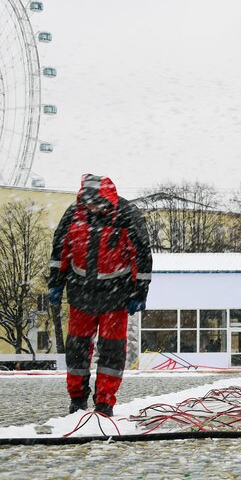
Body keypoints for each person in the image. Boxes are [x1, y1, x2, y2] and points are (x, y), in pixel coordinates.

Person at [49, 174, 152, 417]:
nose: (92, 208)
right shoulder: (74, 214)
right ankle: (76, 400)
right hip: (80, 293)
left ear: (106, 199)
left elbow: (142, 255)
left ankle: (105, 403)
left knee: (112, 351)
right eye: (88, 202)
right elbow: (60, 251)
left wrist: (140, 291)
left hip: (116, 295)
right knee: (77, 350)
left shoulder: (127, 215)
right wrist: (55, 283)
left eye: (96, 202)